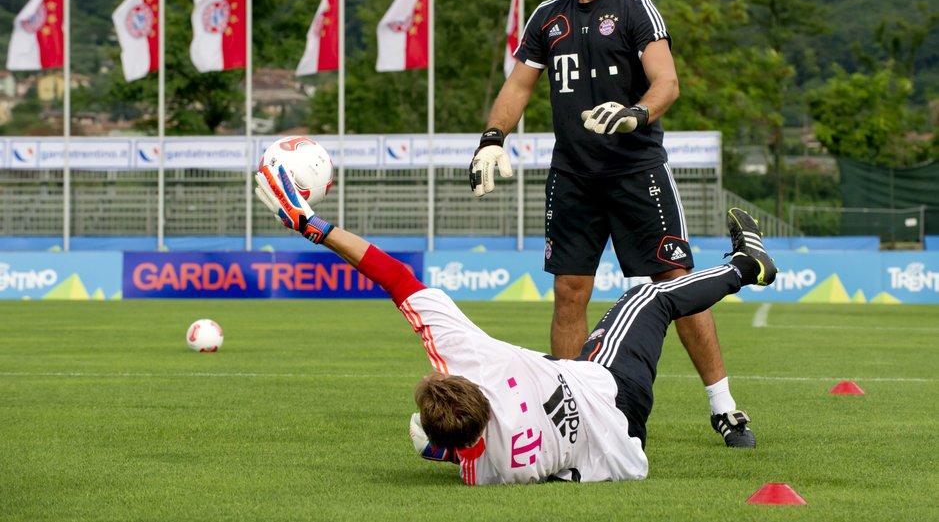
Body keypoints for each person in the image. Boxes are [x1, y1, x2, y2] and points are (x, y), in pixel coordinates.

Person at [254, 163, 777, 485]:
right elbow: (395, 276)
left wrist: (433, 444)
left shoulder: (484, 475)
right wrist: (312, 225)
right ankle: (744, 267)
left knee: (427, 433)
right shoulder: (476, 358)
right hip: (614, 392)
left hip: (623, 453)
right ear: (460, 381)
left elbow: (450, 448)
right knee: (646, 297)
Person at [469, 0, 755, 447]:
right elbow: (519, 88)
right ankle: (572, 414)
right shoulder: (547, 18)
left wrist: (636, 114)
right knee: (569, 291)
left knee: (675, 284)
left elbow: (666, 82)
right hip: (573, 177)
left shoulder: (634, 8)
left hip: (636, 172)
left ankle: (725, 406)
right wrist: (491, 138)